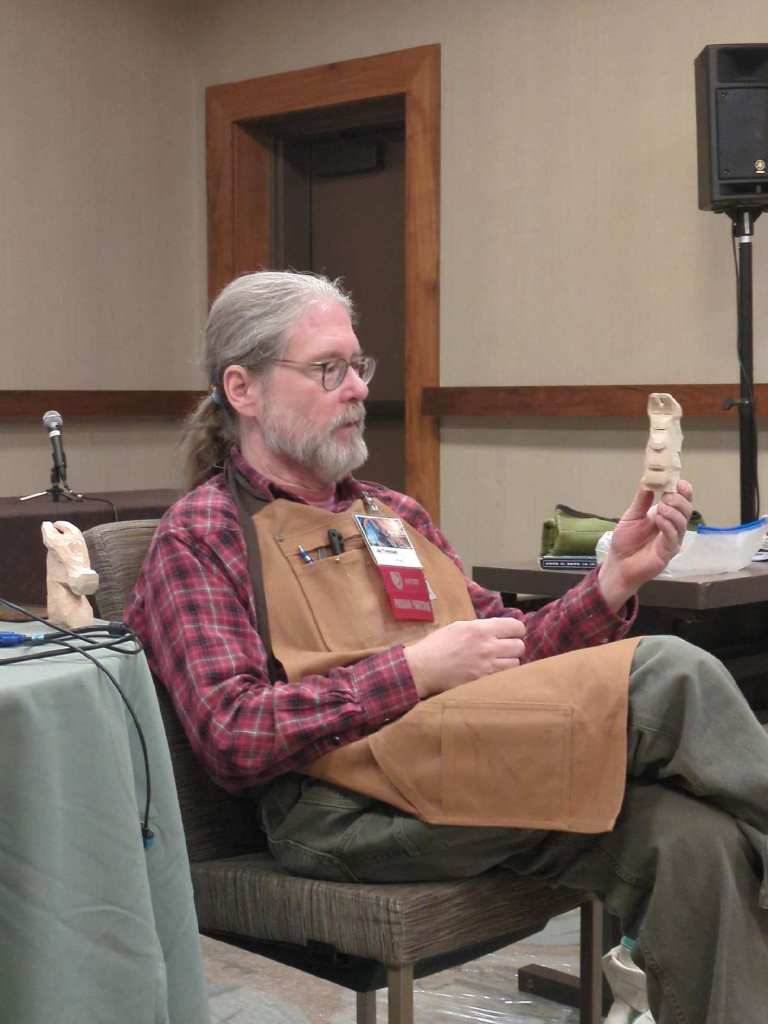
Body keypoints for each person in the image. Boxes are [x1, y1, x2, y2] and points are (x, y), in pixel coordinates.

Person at [126, 271, 768, 1024]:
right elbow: (233, 735)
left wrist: (610, 583)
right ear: (243, 389)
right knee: (667, 671)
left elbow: (510, 652)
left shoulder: (393, 515)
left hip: (463, 761)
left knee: (694, 842)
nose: (357, 389)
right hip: (343, 810)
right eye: (327, 369)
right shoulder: (200, 536)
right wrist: (414, 671)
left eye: (357, 366)